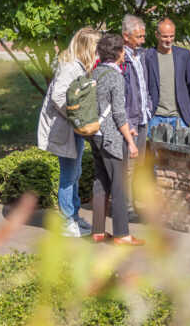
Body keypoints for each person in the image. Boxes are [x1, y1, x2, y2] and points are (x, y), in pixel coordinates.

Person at [37, 27, 100, 237]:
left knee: (76, 172)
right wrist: (75, 116)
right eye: (95, 47)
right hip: (65, 129)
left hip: (72, 128)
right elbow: (57, 96)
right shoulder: (70, 67)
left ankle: (73, 216)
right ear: (87, 47)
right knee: (69, 175)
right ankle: (66, 221)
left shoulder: (79, 66)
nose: (98, 51)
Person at [89, 33, 144, 246]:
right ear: (120, 52)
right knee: (119, 185)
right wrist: (130, 141)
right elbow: (119, 114)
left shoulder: (96, 73)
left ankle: (98, 232)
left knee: (100, 182)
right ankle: (122, 234)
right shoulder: (115, 76)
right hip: (112, 138)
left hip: (96, 135)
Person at [121, 14, 152, 219]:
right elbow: (120, 95)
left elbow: (145, 85)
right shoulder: (121, 58)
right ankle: (126, 207)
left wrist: (148, 107)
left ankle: (136, 204)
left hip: (143, 119)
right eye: (138, 37)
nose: (142, 41)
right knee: (128, 167)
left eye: (143, 36)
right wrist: (128, 121)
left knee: (139, 165)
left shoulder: (141, 55)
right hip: (129, 122)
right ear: (126, 36)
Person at [146, 18, 190, 133]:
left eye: (172, 36)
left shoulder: (183, 54)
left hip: (180, 117)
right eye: (165, 36)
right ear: (156, 35)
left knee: (181, 151)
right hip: (155, 116)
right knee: (156, 151)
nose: (169, 40)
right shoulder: (148, 56)